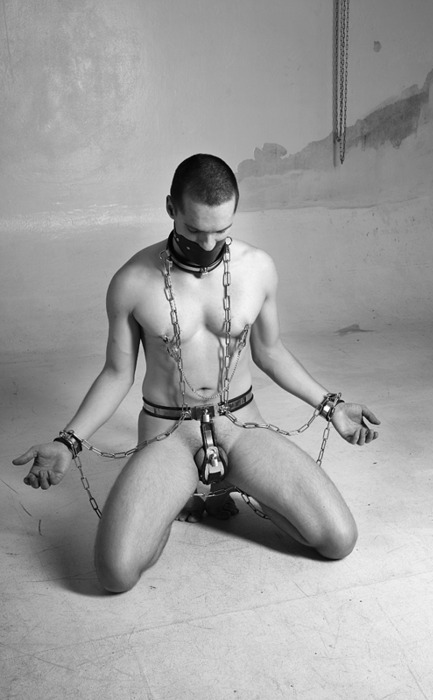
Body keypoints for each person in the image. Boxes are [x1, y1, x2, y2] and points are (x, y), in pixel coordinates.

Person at [13, 154, 380, 593]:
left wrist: (332, 406)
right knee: (115, 574)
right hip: (169, 434)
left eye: (220, 232)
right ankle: (181, 493)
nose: (207, 244)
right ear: (171, 208)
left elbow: (271, 353)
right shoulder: (132, 281)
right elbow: (116, 374)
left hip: (241, 426)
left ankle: (236, 480)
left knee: (339, 539)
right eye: (194, 230)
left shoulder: (258, 268)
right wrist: (67, 442)